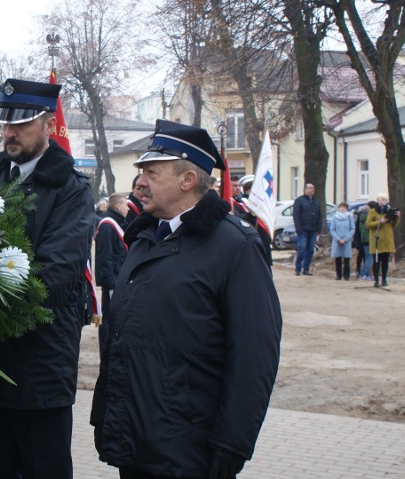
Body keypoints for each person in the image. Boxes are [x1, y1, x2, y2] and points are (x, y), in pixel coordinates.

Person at [91, 120, 282, 479]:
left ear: (187, 180)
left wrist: (233, 440)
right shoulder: (146, 237)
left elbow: (255, 354)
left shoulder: (234, 247)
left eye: (152, 172)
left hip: (189, 447)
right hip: (136, 439)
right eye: (141, 172)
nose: (141, 183)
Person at [0, 78, 94, 478]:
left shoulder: (71, 189)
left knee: (43, 468)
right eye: (5, 123)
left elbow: (54, 274)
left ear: (49, 126)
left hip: (41, 363)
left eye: (20, 123)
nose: (9, 132)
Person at [94, 193, 130, 353]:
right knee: (108, 320)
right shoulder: (108, 225)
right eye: (126, 205)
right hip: (113, 281)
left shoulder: (117, 222)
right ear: (117, 207)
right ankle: (106, 353)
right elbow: (105, 257)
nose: (128, 209)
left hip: (118, 279)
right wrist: (111, 285)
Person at [366, 193, 400, 288]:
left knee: (385, 261)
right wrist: (379, 222)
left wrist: (396, 217)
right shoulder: (373, 211)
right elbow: (368, 225)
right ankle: (376, 280)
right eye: (382, 199)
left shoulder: (388, 211)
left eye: (385, 200)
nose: (384, 201)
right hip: (377, 241)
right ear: (378, 201)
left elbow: (393, 225)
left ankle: (384, 279)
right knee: (376, 261)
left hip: (387, 240)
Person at [293, 183, 320, 276]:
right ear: (306, 189)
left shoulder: (316, 201)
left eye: (313, 188)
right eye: (311, 188)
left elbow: (319, 215)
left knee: (311, 250)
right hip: (303, 230)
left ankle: (306, 269)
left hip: (313, 230)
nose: (313, 189)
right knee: (302, 248)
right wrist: (298, 228)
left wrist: (319, 228)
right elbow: (296, 215)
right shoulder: (299, 201)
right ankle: (298, 268)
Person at [330, 202, 355, 280]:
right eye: (341, 207)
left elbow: (352, 229)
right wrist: (338, 239)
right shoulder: (335, 217)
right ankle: (338, 275)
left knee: (347, 258)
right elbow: (332, 229)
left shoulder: (349, 217)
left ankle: (346, 275)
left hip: (346, 240)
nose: (343, 209)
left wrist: (345, 239)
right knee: (338, 258)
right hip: (337, 240)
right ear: (339, 208)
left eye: (344, 207)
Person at [355, 203, 374, 281]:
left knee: (366, 257)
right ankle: (364, 274)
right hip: (368, 239)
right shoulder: (368, 218)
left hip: (363, 240)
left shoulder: (360, 218)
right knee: (369, 258)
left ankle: (365, 273)